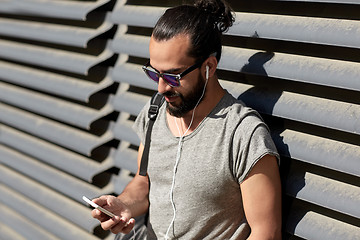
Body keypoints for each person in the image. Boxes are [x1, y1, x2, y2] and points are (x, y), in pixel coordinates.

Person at [91, 0, 282, 239]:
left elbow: (266, 233)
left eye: (172, 77)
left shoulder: (243, 134)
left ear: (209, 67)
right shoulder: (155, 111)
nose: (161, 88)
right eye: (154, 73)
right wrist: (123, 205)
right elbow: (145, 183)